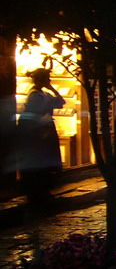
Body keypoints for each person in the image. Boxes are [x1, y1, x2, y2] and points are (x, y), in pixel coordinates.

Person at [18, 68, 65, 212]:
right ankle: (37, 192)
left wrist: (52, 89)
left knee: (44, 162)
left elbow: (61, 102)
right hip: (38, 132)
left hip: (43, 131)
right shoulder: (35, 95)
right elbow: (35, 114)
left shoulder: (43, 94)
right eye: (47, 79)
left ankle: (42, 190)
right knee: (40, 162)